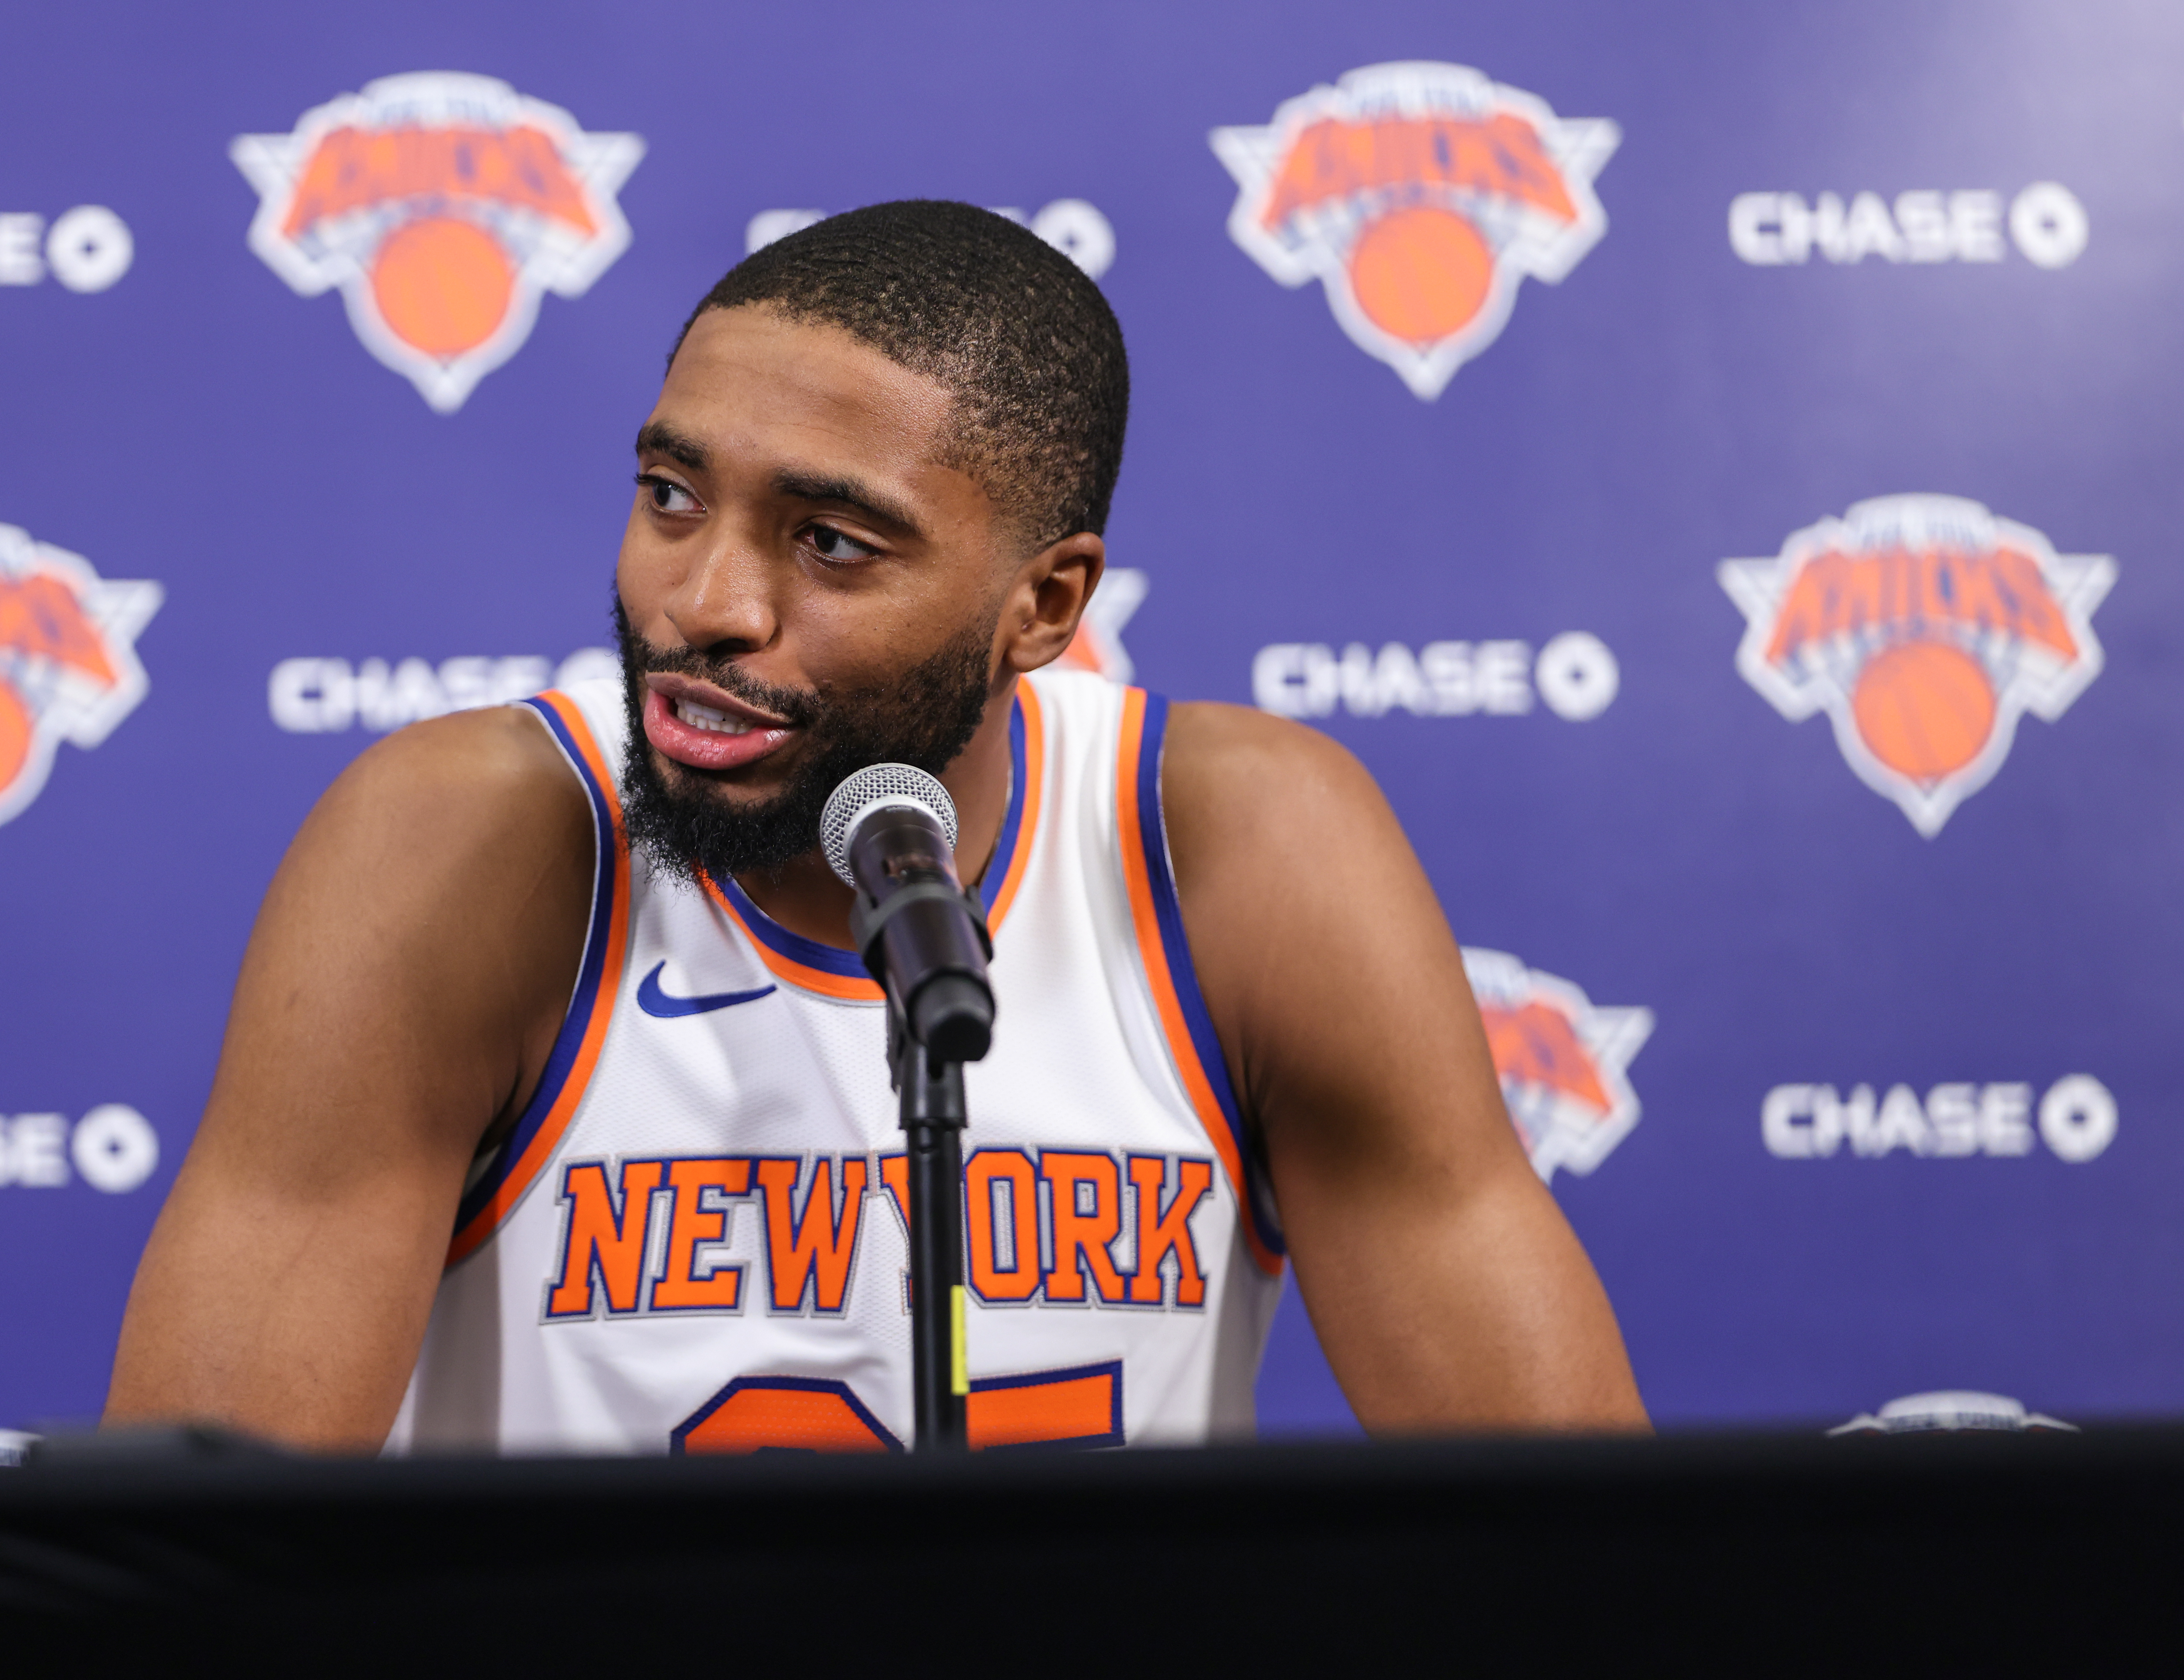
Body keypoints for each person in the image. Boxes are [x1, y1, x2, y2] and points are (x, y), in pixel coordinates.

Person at [105, 201, 1646, 1454]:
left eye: (831, 543)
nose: (704, 605)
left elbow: (1588, 1569)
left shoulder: (1238, 851)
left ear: (1040, 605)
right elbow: (186, 1582)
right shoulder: (466, 844)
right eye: (668, 493)